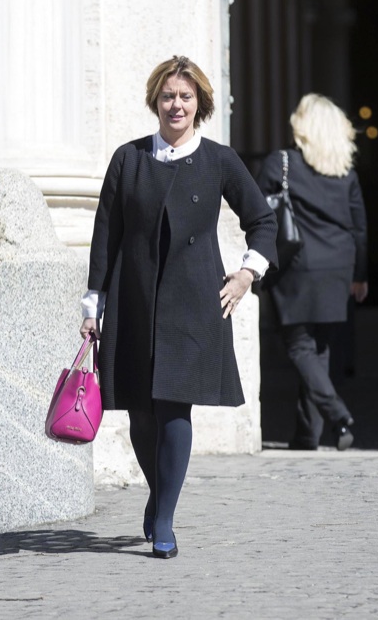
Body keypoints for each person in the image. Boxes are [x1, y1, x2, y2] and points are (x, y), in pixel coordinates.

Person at [80, 56, 278, 559]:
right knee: (140, 414)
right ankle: (158, 492)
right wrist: (92, 304)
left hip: (194, 304)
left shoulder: (219, 160)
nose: (176, 105)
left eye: (186, 97)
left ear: (200, 103)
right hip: (134, 301)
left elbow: (262, 220)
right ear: (156, 101)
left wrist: (246, 274)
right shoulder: (128, 159)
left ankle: (164, 517)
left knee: (174, 408)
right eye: (168, 96)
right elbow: (106, 235)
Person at [255, 93, 368, 451]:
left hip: (298, 267)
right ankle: (307, 434)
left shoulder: (281, 163)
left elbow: (256, 212)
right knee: (319, 348)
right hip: (338, 267)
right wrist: (359, 275)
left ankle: (338, 415)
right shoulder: (345, 173)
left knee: (300, 346)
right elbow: (359, 228)